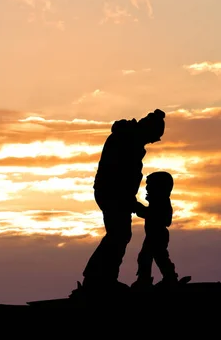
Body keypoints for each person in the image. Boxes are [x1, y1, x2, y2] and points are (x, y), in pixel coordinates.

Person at [71, 109, 166, 299]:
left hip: (116, 194)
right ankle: (97, 280)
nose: (150, 142)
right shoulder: (126, 140)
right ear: (148, 131)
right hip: (112, 194)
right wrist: (134, 205)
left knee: (120, 235)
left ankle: (103, 279)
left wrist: (133, 203)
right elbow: (120, 177)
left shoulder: (132, 141)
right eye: (152, 138)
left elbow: (126, 179)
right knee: (118, 234)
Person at [131, 171, 179, 289]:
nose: (147, 188)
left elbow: (159, 217)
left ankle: (167, 278)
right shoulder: (158, 203)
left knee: (157, 257)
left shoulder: (162, 203)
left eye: (150, 185)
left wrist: (138, 208)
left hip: (157, 235)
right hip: (153, 235)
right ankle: (146, 278)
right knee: (148, 257)